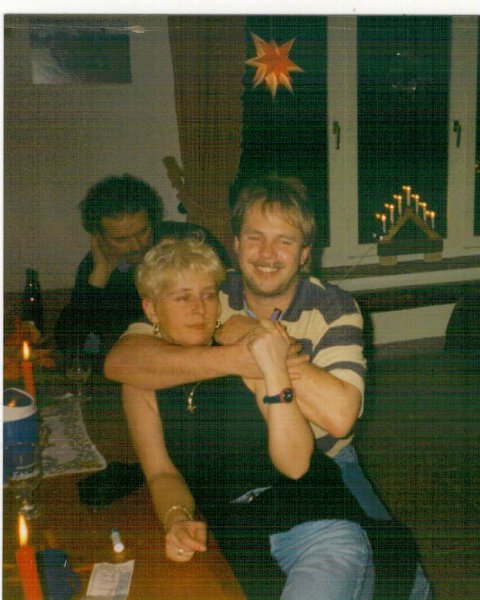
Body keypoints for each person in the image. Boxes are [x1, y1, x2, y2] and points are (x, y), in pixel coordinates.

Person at [105, 176, 430, 598]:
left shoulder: (333, 307)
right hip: (235, 498)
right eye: (255, 238)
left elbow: (339, 419)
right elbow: (123, 360)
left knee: (399, 572)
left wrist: (265, 351)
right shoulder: (210, 286)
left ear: (305, 253)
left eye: (284, 241)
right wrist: (242, 350)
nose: (267, 254)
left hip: (325, 459)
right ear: (236, 244)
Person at [54, 173, 230, 360]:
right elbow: (70, 344)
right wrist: (99, 277)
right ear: (99, 237)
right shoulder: (96, 266)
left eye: (143, 231)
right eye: (120, 239)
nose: (136, 245)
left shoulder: (192, 243)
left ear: (153, 220)